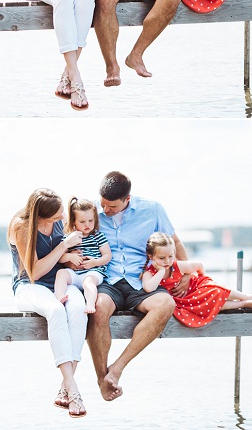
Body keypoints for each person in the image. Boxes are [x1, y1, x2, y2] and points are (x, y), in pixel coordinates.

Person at [86, 171, 190, 402]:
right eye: (102, 204)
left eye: (111, 206)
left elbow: (177, 242)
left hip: (142, 280)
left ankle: (118, 368)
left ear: (127, 199)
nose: (105, 210)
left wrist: (186, 274)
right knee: (98, 307)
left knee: (165, 303)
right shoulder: (91, 210)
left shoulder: (152, 209)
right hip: (107, 280)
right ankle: (102, 379)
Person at [8, 188, 89, 418]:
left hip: (60, 282)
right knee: (55, 311)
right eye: (56, 217)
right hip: (29, 286)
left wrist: (73, 259)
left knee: (77, 309)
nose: (62, 219)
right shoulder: (21, 227)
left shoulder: (58, 221)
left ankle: (66, 384)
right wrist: (63, 247)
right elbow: (34, 272)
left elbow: (59, 259)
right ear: (41, 216)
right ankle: (72, 389)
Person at [142, 232, 252, 327]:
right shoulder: (150, 273)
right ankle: (242, 304)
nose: (167, 261)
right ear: (151, 256)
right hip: (183, 300)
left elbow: (198, 265)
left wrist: (201, 279)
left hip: (195, 288)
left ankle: (244, 296)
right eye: (162, 258)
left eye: (170, 256)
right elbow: (149, 288)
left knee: (214, 291)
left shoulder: (177, 265)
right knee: (205, 305)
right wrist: (161, 271)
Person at [54, 197, 110, 314]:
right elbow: (60, 258)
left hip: (92, 272)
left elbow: (107, 256)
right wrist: (69, 257)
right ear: (73, 221)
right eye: (82, 222)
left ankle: (90, 303)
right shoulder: (69, 238)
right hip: (74, 274)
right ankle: (59, 296)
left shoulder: (98, 236)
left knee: (89, 282)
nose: (87, 225)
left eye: (90, 220)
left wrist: (95, 262)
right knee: (61, 273)